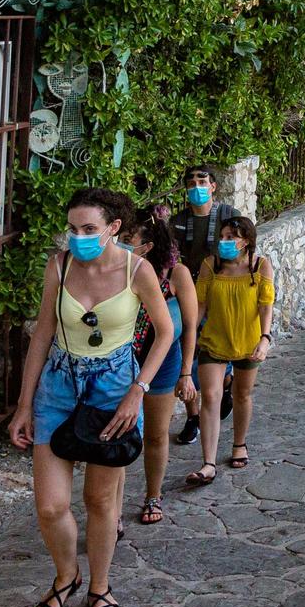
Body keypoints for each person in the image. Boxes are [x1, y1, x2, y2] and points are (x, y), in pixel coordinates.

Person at [10, 187, 173, 607]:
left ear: (113, 229)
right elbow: (43, 332)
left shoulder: (136, 271)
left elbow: (165, 332)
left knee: (99, 500)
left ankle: (100, 586)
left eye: (88, 229)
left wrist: (139, 390)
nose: (77, 237)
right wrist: (25, 404)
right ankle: (67, 576)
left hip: (114, 387)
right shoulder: (59, 266)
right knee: (50, 505)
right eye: (73, 228)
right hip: (58, 385)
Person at [185, 216, 275, 481]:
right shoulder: (209, 266)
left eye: (230, 237)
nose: (223, 242)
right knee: (211, 398)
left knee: (242, 394)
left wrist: (265, 338)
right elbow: (199, 305)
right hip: (213, 341)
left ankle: (239, 444)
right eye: (221, 237)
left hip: (248, 343)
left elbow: (265, 305)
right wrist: (189, 336)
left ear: (246, 241)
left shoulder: (260, 266)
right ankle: (208, 463)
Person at [127, 210, 198, 526]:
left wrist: (186, 372)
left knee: (156, 434)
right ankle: (110, 509)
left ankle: (152, 496)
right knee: (116, 437)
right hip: (124, 362)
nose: (123, 244)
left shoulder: (176, 274)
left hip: (165, 362)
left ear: (149, 244)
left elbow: (191, 325)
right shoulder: (121, 271)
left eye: (130, 239)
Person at [166, 165, 241, 448]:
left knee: (219, 348)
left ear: (213, 186)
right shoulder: (178, 222)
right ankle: (193, 417)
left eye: (202, 181)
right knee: (190, 348)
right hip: (188, 294)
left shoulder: (227, 216)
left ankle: (226, 383)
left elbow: (241, 249)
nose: (196, 187)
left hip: (219, 293)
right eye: (191, 182)